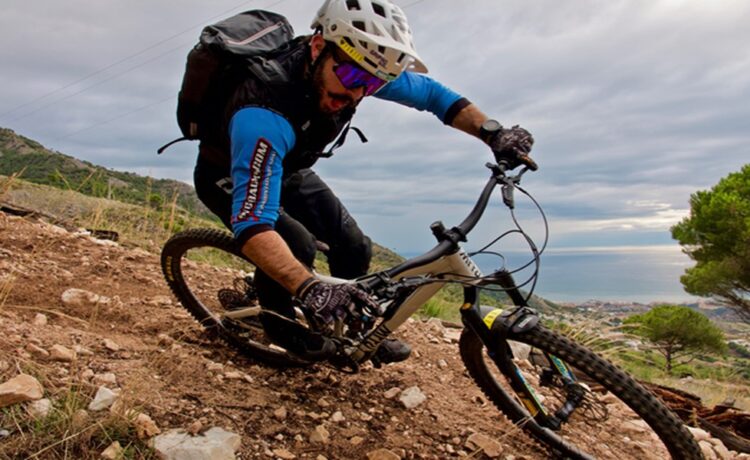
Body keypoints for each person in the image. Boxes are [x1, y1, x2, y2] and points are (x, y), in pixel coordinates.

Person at [192, 0, 535, 363]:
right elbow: (253, 226)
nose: (356, 94)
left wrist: (492, 133)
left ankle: (353, 326)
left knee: (354, 247)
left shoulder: (353, 68)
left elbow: (433, 96)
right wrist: (310, 288)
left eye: (371, 84)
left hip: (289, 168)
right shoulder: (262, 116)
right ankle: (281, 327)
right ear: (318, 47)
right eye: (354, 78)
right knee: (297, 245)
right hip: (225, 174)